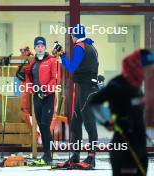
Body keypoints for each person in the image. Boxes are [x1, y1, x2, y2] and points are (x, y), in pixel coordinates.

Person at [90, 49, 153, 176]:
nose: (150, 72)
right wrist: (107, 121)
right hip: (123, 147)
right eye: (147, 68)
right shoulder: (117, 84)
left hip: (139, 145)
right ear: (137, 66)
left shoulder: (137, 86)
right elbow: (95, 102)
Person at [53, 24, 99, 169]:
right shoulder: (90, 45)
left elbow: (72, 67)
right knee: (76, 122)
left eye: (72, 35)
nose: (71, 37)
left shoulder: (80, 46)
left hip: (87, 88)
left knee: (88, 122)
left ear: (75, 36)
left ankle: (91, 157)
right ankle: (75, 156)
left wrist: (62, 56)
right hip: (87, 87)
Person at [24, 36, 61, 165]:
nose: (40, 48)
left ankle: (48, 155)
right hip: (36, 97)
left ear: (45, 48)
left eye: (42, 46)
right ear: (35, 48)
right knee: (41, 126)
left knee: (45, 126)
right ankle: (46, 154)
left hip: (48, 97)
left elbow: (55, 79)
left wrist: (44, 90)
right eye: (38, 46)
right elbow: (28, 76)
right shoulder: (33, 62)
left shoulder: (51, 60)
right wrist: (29, 83)